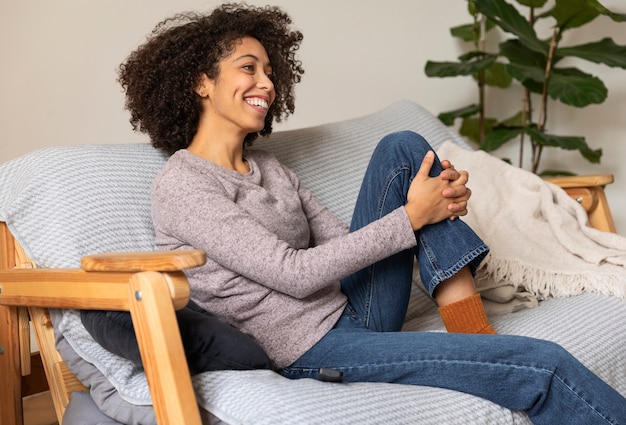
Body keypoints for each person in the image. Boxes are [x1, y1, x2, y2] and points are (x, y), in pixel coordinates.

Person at [86, 3, 626, 424]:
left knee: (403, 148)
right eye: (247, 68)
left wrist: (431, 209)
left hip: (352, 308)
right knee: (542, 365)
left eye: (270, 71)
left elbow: (348, 244)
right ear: (200, 83)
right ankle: (480, 340)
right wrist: (413, 218)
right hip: (304, 346)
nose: (267, 84)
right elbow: (292, 275)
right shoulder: (183, 185)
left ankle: (470, 328)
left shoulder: (270, 167)